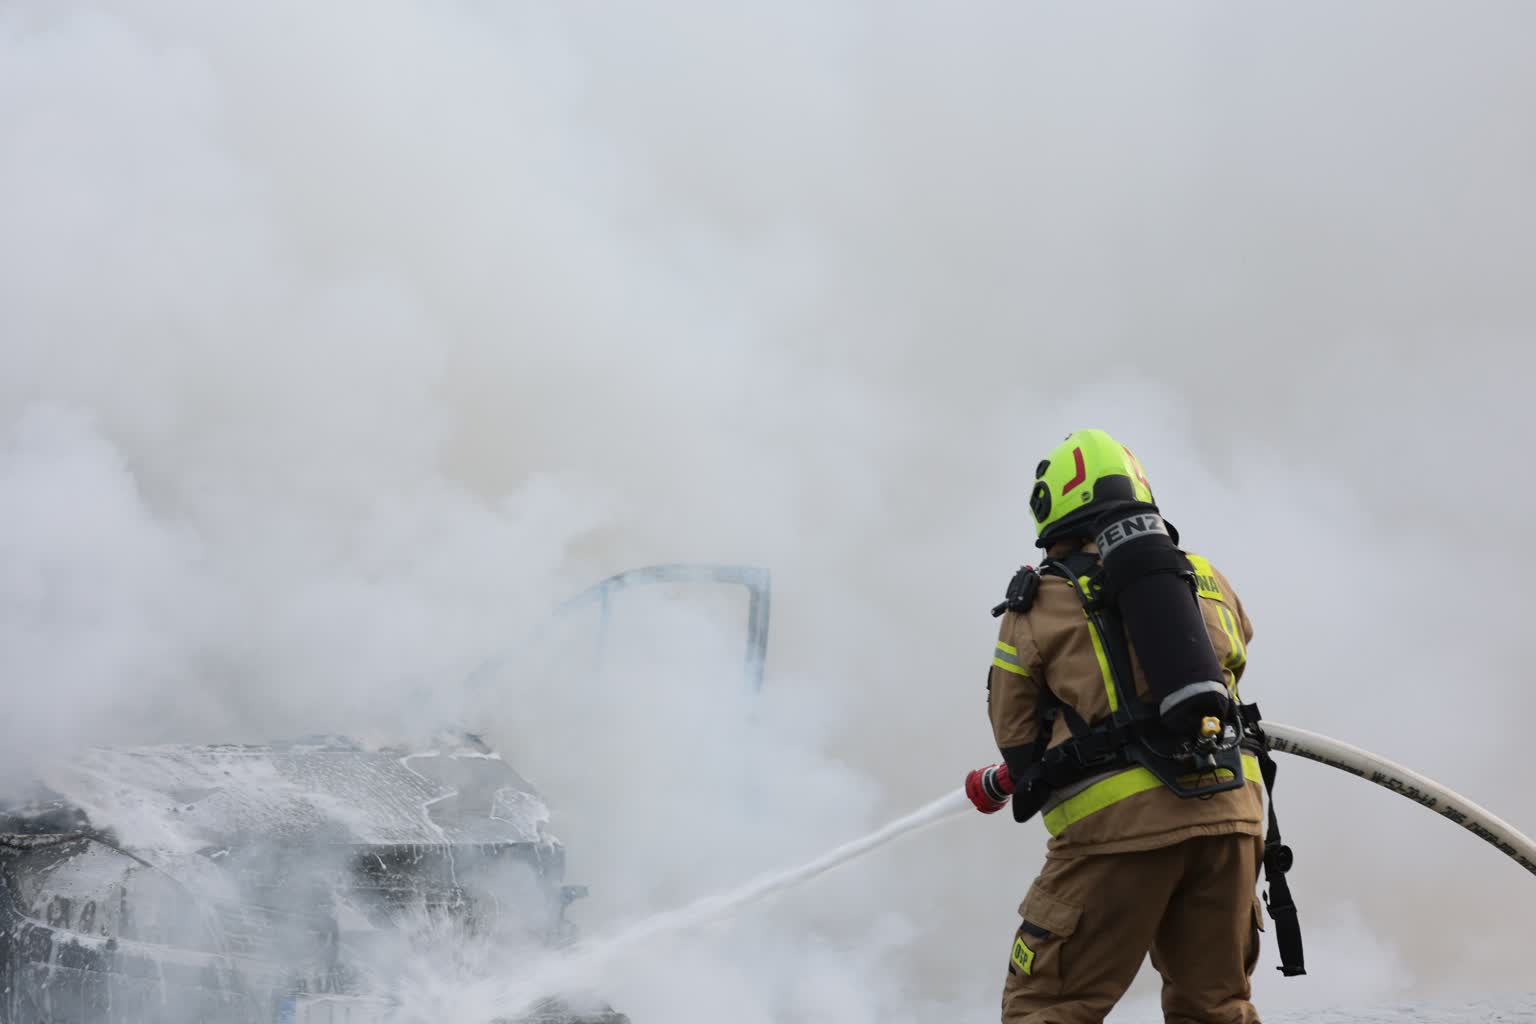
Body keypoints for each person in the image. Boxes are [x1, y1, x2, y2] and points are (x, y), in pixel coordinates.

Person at [965, 428, 1298, 1024]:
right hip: (1230, 822)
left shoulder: (1036, 603)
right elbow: (1236, 656)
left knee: (1050, 1005)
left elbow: (1015, 736)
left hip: (1117, 836)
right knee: (1216, 1007)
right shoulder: (1204, 576)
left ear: (1053, 508)